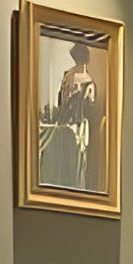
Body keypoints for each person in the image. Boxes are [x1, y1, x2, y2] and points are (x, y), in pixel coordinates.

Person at [38, 41, 99, 190]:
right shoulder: (69, 76)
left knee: (76, 161)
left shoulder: (88, 81)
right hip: (67, 125)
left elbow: (88, 106)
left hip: (78, 126)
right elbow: (62, 102)